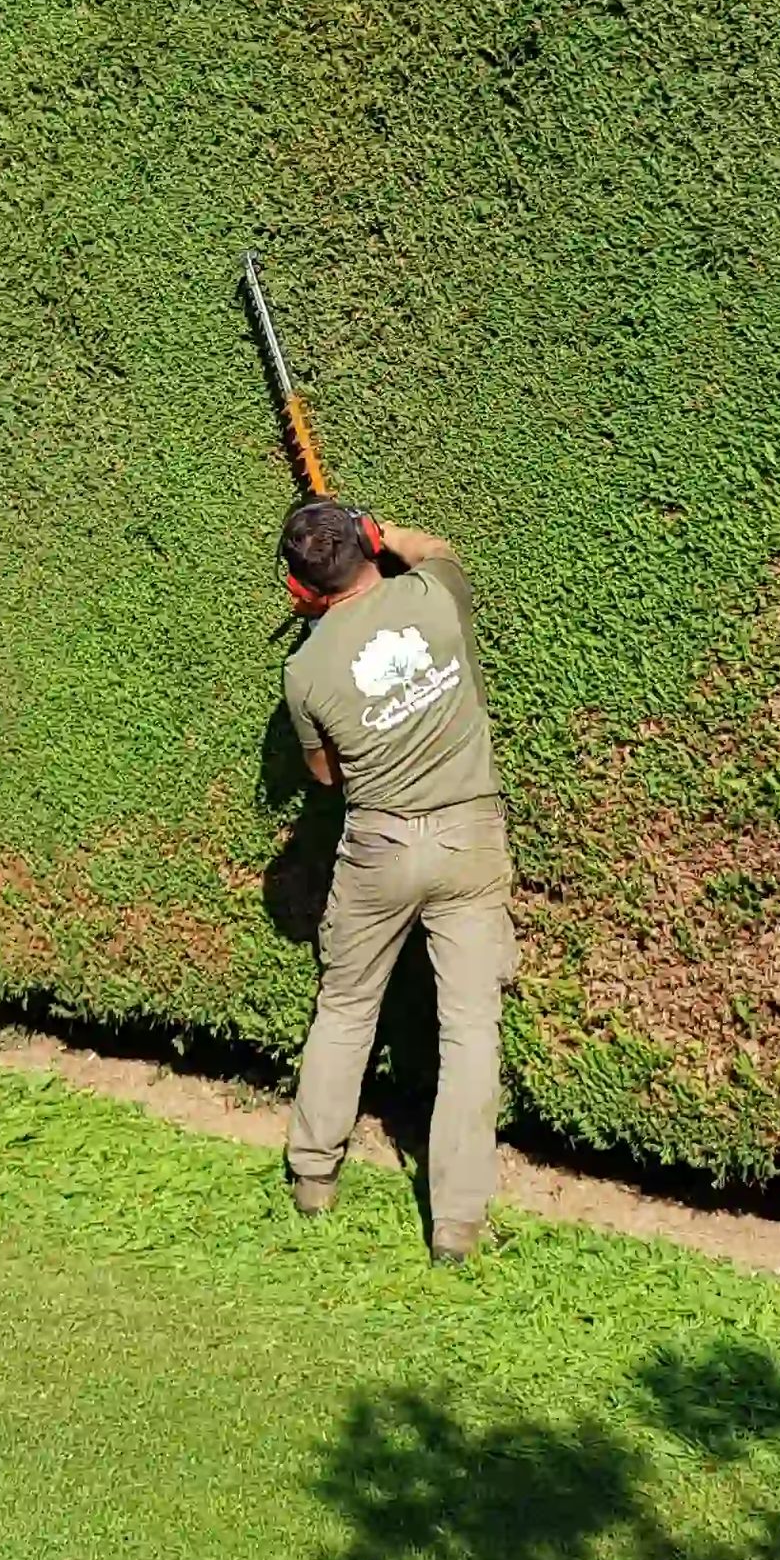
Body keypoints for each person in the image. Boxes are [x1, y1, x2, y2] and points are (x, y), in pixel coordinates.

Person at [275, 497, 512, 1263]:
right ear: (370, 545)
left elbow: (325, 778)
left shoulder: (304, 672)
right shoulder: (435, 593)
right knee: (471, 1027)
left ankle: (313, 1178)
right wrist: (383, 531)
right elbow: (435, 544)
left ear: (299, 586)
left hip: (379, 846)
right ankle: (458, 1225)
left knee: (346, 1007)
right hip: (469, 837)